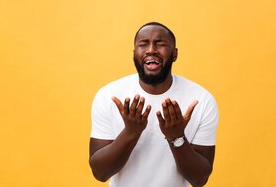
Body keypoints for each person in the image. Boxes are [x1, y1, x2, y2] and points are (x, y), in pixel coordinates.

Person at [89, 22, 218, 187]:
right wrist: (130, 132)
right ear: (134, 53)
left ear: (175, 54)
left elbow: (199, 180)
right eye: (143, 44)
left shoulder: (201, 100)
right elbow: (100, 173)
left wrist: (176, 137)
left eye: (160, 44)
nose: (151, 50)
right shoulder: (108, 96)